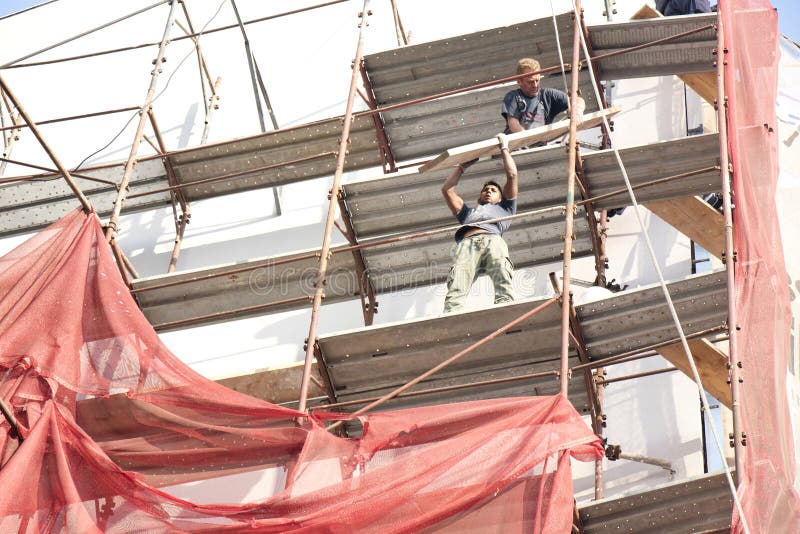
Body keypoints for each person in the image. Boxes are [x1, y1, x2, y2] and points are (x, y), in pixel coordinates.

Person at [441, 134, 518, 313]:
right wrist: (462, 167)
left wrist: (504, 148)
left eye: (493, 190)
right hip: (468, 244)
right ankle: (452, 313)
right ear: (480, 196)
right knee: (458, 281)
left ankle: (505, 307)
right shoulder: (468, 213)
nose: (488, 191)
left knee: (501, 274)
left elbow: (512, 175)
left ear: (501, 196)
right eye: (485, 190)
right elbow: (447, 190)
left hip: (493, 240)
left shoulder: (506, 208)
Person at [502, 57, 585, 135]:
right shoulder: (513, 97)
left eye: (537, 80)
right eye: (530, 82)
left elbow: (578, 100)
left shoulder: (548, 95)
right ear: (519, 81)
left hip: (540, 146)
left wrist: (577, 112)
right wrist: (529, 140)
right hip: (518, 148)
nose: (535, 85)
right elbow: (513, 124)